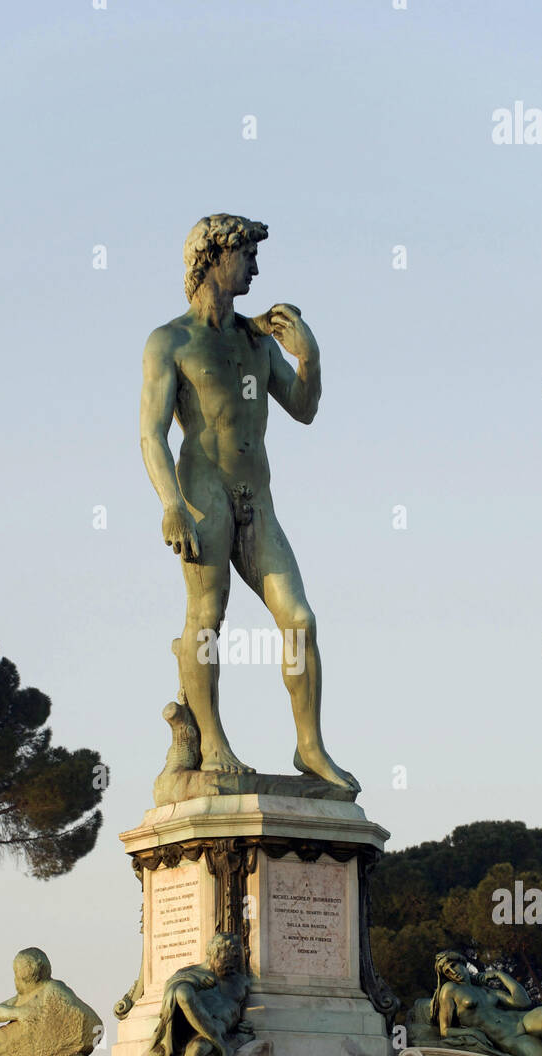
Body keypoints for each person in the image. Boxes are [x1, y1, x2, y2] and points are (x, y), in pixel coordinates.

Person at [139, 213, 357, 790]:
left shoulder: (256, 341)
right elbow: (151, 432)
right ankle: (210, 740)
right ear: (215, 257)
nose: (257, 268)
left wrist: (309, 357)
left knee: (300, 620)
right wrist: (170, 504)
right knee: (207, 620)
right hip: (202, 491)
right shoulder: (172, 341)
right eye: (248, 256)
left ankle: (309, 747)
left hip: (257, 496)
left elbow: (303, 408)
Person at [130, 933, 252, 1056]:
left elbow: (238, 1009)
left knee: (199, 1048)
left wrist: (244, 1023)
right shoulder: (191, 975)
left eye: (234, 961)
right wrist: (193, 984)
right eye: (225, 961)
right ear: (212, 955)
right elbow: (173, 995)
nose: (230, 966)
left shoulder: (241, 981)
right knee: (183, 996)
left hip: (224, 1029)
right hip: (193, 1028)